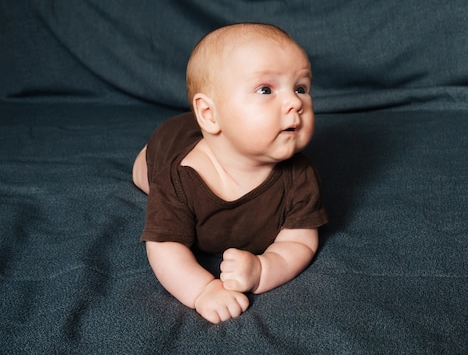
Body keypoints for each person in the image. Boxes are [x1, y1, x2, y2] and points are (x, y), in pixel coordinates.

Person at [132, 23, 328, 324]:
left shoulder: (299, 176)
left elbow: (300, 241)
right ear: (210, 114)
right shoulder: (179, 178)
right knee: (144, 176)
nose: (295, 103)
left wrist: (264, 268)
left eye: (301, 88)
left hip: (202, 131)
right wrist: (203, 290)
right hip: (170, 141)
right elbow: (165, 247)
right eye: (266, 89)